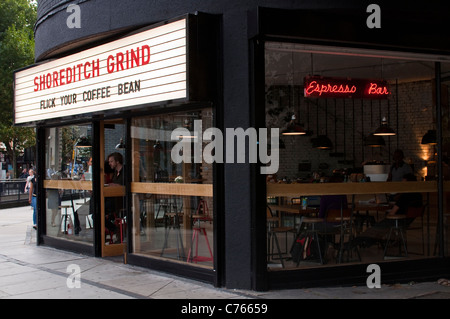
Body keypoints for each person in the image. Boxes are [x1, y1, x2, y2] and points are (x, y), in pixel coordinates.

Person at [355, 173, 423, 247]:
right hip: (408, 220)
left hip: (398, 220)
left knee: (374, 229)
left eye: (403, 183)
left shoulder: (405, 196)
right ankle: (368, 243)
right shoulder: (418, 195)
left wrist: (387, 216)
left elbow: (392, 213)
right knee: (378, 228)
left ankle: (354, 243)